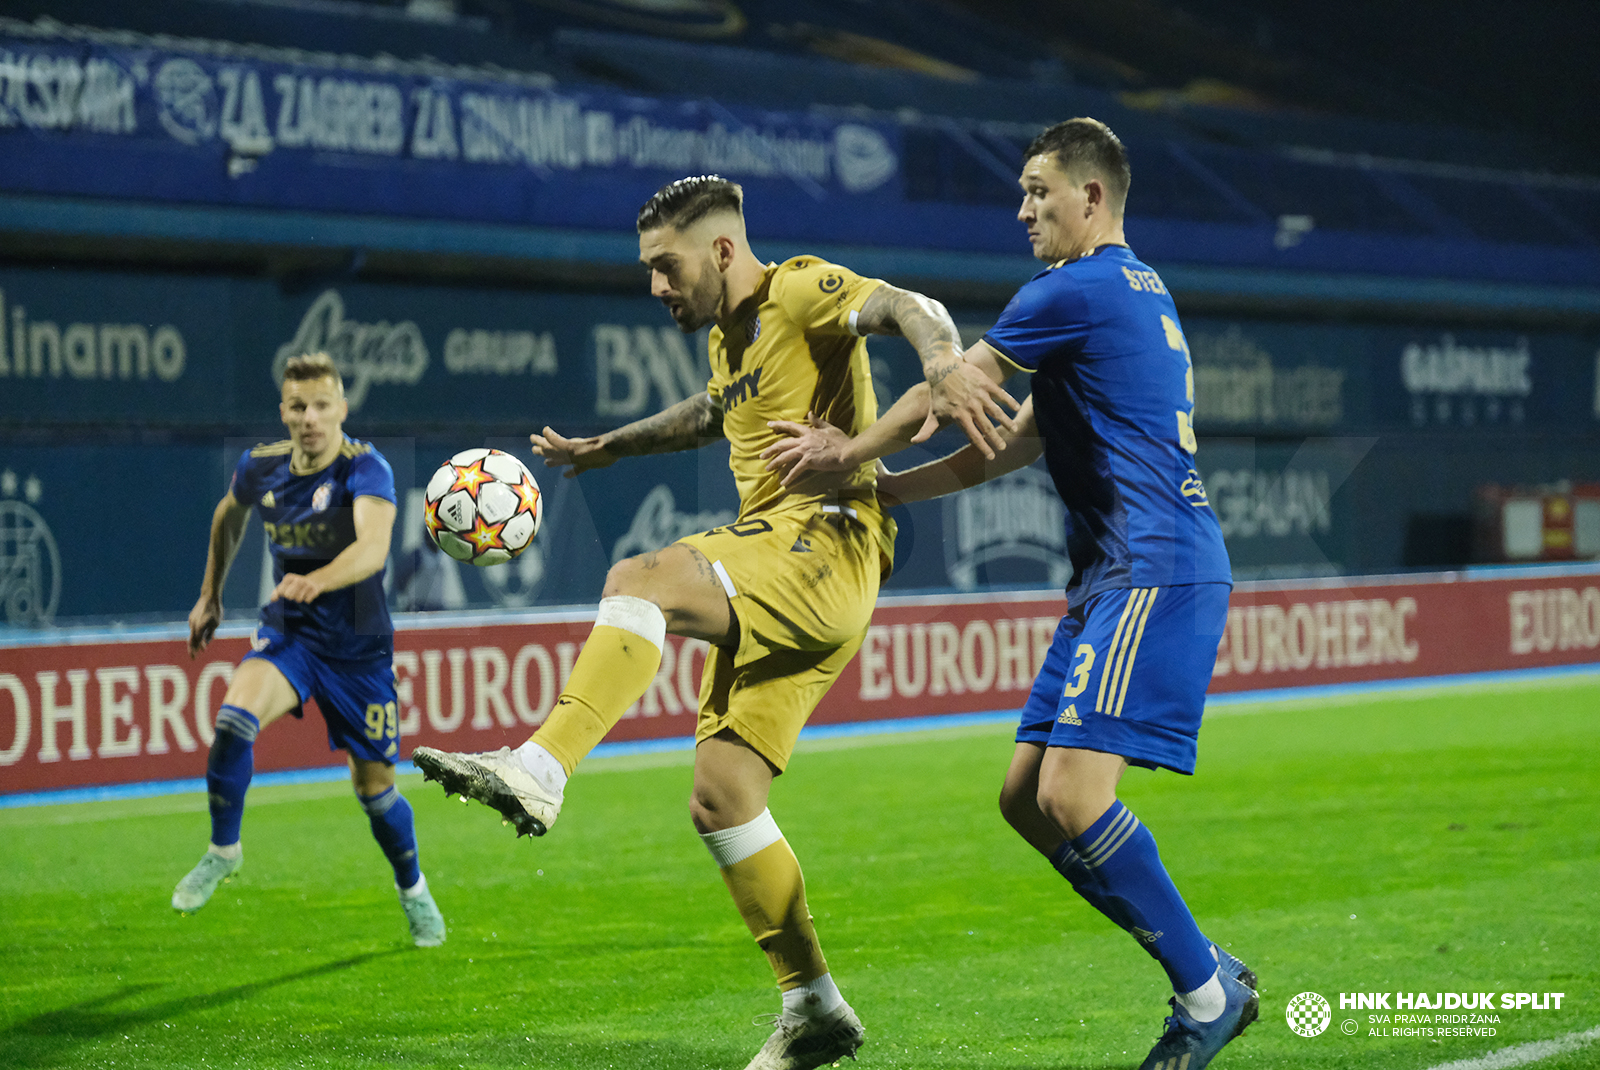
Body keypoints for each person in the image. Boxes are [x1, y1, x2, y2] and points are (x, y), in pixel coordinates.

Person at [412, 174, 1018, 1070]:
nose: (656, 286)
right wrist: (611, 445)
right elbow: (713, 413)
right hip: (796, 565)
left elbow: (909, 305)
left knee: (640, 575)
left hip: (824, 539)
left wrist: (939, 360)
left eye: (666, 267)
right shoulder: (733, 341)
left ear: (724, 251)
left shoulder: (799, 288)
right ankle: (812, 1005)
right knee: (722, 799)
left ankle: (540, 766)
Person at [761, 118, 1258, 1070]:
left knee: (1073, 795)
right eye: (1023, 192)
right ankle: (1206, 971)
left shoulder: (1073, 287)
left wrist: (846, 452)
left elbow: (954, 383)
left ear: (1092, 198)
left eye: (1040, 192)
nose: (1024, 209)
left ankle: (1205, 994)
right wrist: (885, 489)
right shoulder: (1130, 292)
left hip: (1153, 567)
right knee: (1026, 799)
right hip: (1118, 571)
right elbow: (1009, 440)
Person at [175, 351, 446, 948]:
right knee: (233, 719)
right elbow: (228, 516)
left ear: (342, 409)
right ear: (284, 412)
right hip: (291, 635)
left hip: (360, 650)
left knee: (376, 792)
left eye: (322, 406)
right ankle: (224, 849)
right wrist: (209, 595)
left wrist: (317, 579)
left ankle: (414, 890)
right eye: (298, 407)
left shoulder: (365, 468)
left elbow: (374, 550)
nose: (310, 418)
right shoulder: (261, 467)